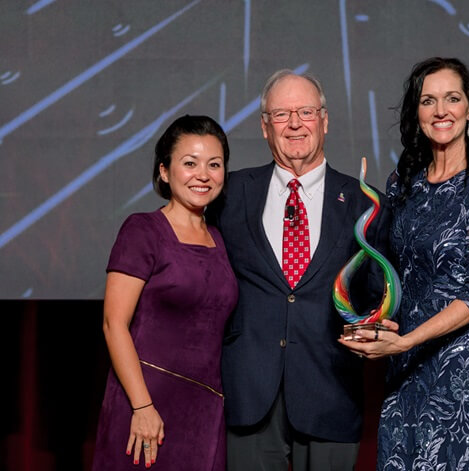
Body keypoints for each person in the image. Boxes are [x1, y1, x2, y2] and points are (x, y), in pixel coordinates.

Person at [339, 57, 469, 470]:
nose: (441, 111)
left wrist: (407, 340)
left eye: (452, 99)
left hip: (466, 357)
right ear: (415, 112)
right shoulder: (406, 182)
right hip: (408, 358)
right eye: (428, 100)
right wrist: (377, 325)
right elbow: (395, 271)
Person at [213, 69, 388, 471]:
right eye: (281, 114)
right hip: (248, 395)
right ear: (264, 126)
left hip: (330, 393)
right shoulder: (229, 194)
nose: (295, 123)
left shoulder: (367, 203)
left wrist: (379, 323)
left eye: (306, 111)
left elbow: (377, 295)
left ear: (324, 121)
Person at [92, 115, 238, 470]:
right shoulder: (143, 230)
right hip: (146, 406)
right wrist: (142, 407)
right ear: (164, 171)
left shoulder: (221, 239)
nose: (203, 174)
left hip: (204, 412)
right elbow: (114, 324)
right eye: (189, 163)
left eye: (214, 165)